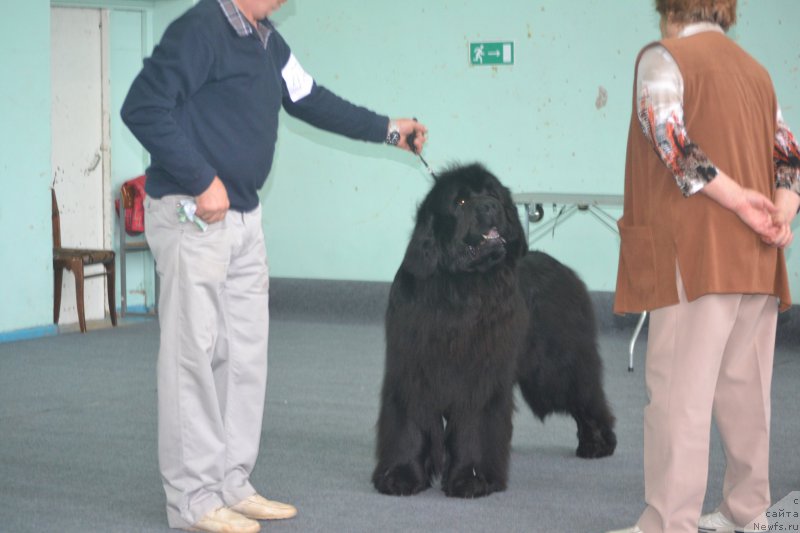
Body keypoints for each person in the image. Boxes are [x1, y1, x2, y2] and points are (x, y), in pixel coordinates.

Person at [120, 0, 428, 531]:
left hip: (244, 219)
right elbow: (143, 106)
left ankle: (231, 484)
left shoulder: (267, 41)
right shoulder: (200, 29)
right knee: (191, 360)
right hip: (192, 214)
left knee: (243, 359)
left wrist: (388, 130)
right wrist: (199, 176)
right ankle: (192, 502)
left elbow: (311, 99)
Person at [609, 1, 800, 532]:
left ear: (666, 7)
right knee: (747, 394)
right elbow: (789, 156)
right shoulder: (756, 72)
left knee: (678, 396)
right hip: (758, 260)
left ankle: (669, 523)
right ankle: (750, 513)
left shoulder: (663, 57)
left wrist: (740, 200)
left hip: (695, 256)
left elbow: (672, 142)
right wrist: (779, 213)